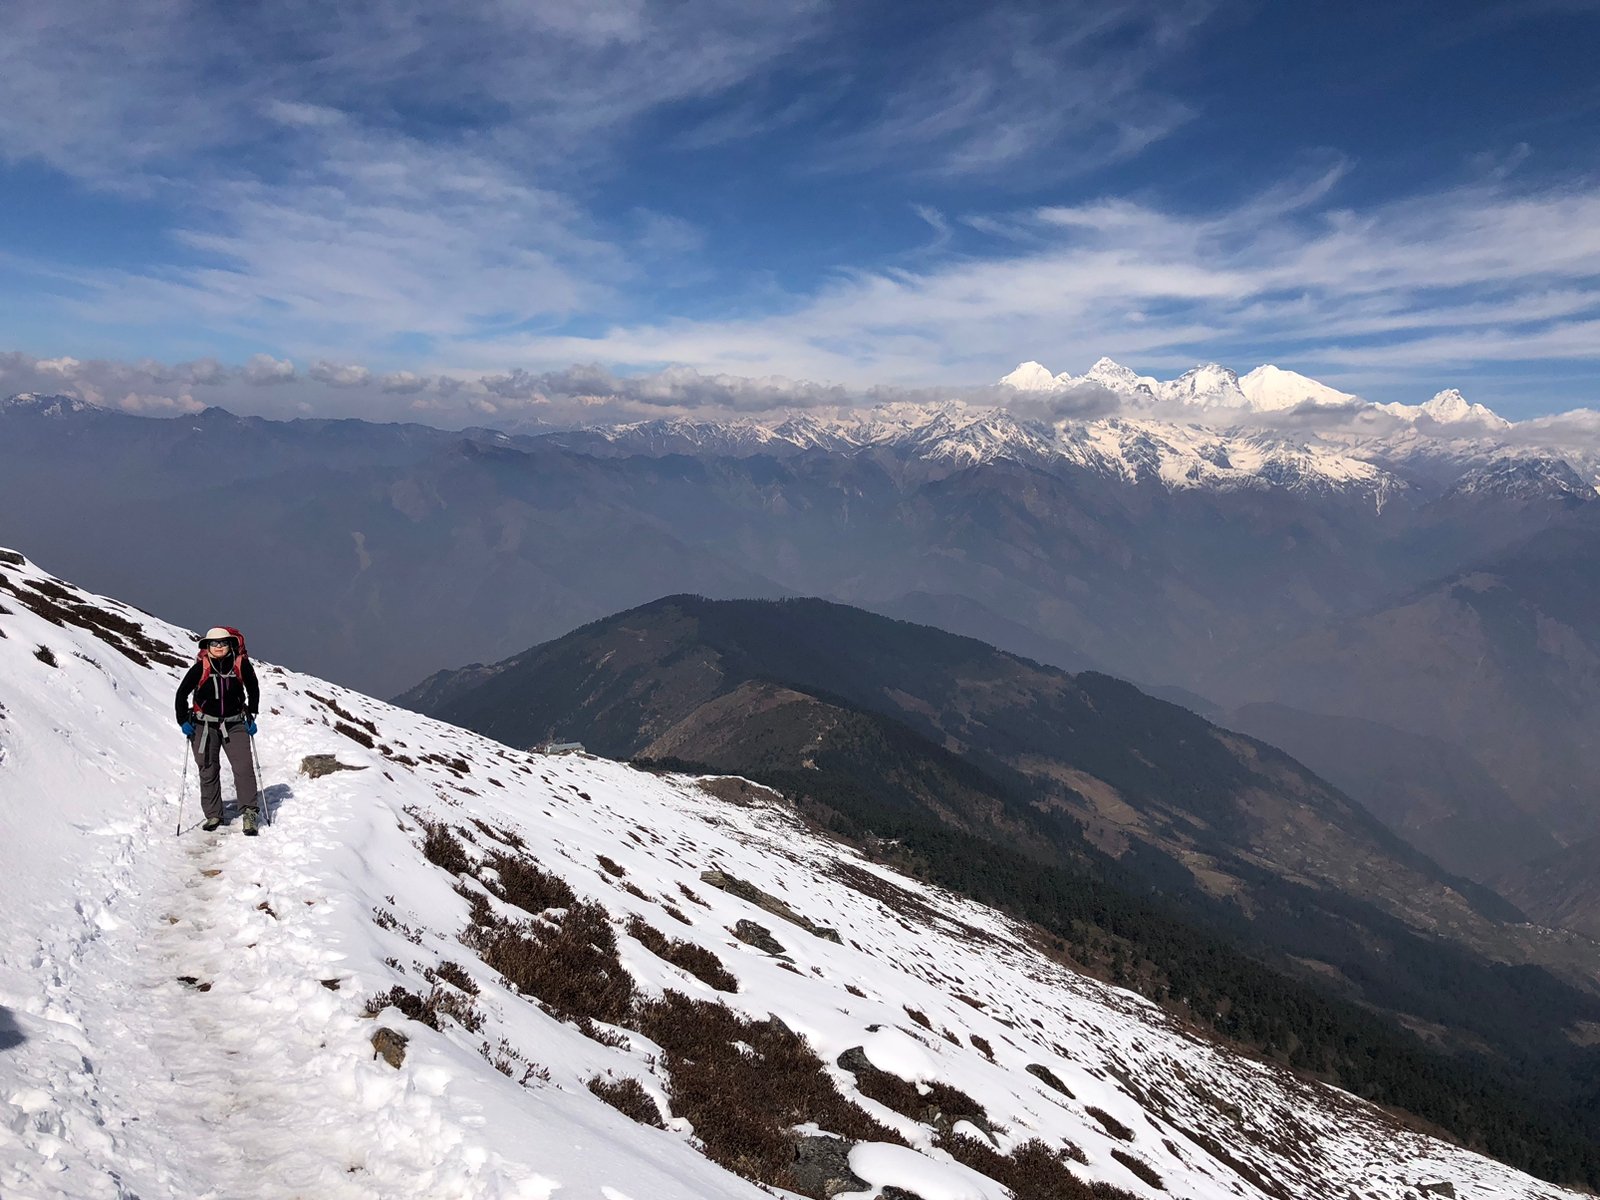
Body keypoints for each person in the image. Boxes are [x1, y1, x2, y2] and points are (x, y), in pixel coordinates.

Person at [175, 626, 262, 834]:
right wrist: (182, 720)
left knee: (244, 768)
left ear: (230, 644)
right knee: (208, 769)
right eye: (214, 643)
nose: (219, 646)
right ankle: (214, 814)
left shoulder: (240, 664)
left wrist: (253, 712)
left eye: (223, 642)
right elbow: (181, 694)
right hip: (204, 725)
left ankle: (250, 812)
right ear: (207, 646)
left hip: (235, 723)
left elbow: (253, 687)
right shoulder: (201, 667)